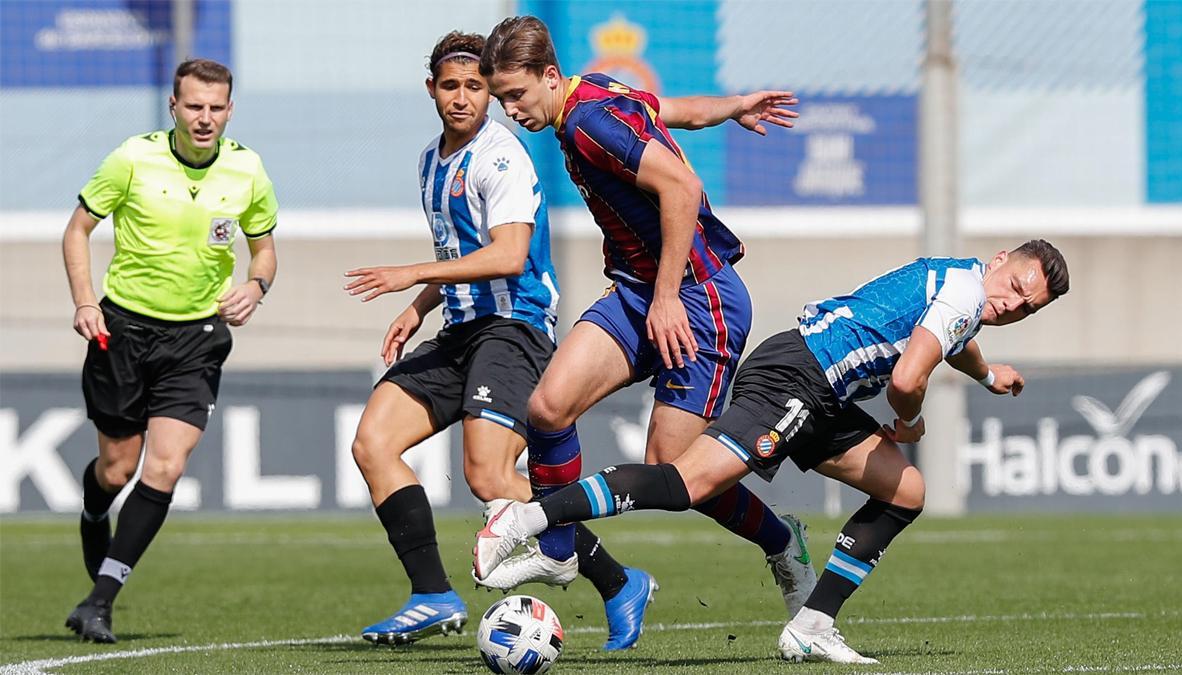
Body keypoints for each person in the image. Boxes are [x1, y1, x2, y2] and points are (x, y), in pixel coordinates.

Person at [475, 241, 1070, 664]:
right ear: (999, 262)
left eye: (1028, 307)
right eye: (1016, 287)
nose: (1013, 305)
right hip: (799, 378)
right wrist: (907, 423)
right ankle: (524, 517)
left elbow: (955, 341)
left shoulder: (961, 287)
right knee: (684, 483)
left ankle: (812, 625)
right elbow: (909, 379)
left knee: (905, 490)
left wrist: (988, 375)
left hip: (821, 388)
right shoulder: (967, 295)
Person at [476, 16, 817, 635]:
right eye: (501, 99)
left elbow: (682, 187)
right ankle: (557, 549)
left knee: (674, 466)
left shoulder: (585, 123)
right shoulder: (595, 91)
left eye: (516, 95)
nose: (509, 110)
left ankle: (781, 539)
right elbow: (671, 111)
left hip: (699, 300)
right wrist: (734, 105)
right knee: (549, 408)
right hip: (639, 290)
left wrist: (666, 298)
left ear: (549, 76)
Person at [343, 32, 648, 650]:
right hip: (459, 330)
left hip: (515, 329)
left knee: (487, 475)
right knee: (373, 442)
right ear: (431, 88)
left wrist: (412, 275)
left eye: (476, 87)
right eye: (450, 86)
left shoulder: (501, 156)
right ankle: (432, 593)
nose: (462, 99)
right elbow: (462, 254)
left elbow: (508, 256)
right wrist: (418, 306)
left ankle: (618, 581)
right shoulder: (431, 160)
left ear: (490, 91)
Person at [62, 58, 278, 643]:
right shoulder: (133, 158)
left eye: (216, 108)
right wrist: (85, 302)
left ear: (229, 110)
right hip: (122, 330)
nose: (204, 118)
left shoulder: (247, 170)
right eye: (194, 106)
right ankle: (92, 512)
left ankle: (100, 599)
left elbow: (264, 251)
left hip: (197, 338)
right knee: (117, 468)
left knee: (166, 464)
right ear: (174, 107)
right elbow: (77, 229)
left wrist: (255, 287)